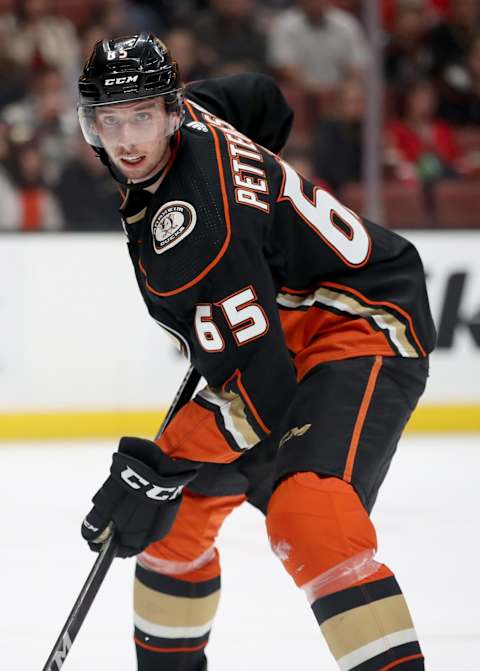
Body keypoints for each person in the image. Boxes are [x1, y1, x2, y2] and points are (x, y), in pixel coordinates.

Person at [77, 33, 436, 671]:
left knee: (311, 515)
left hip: (361, 321)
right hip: (277, 331)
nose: (128, 140)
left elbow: (260, 394)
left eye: (141, 118)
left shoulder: (192, 237)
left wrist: (160, 465)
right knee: (175, 520)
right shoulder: (204, 112)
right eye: (110, 120)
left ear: (172, 113)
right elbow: (264, 101)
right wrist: (259, 231)